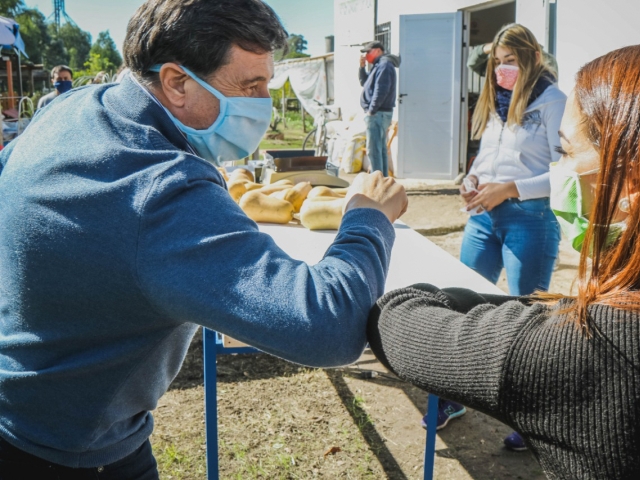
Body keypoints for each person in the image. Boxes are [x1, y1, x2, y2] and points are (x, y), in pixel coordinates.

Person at [0, 0, 407, 477]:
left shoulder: (71, 109)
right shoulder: (162, 185)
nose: (262, 103)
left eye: (266, 85)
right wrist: (367, 217)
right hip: (70, 449)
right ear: (176, 82)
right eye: (249, 86)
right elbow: (327, 326)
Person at [368, 40, 640, 479]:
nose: (561, 170)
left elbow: (398, 320)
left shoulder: (586, 350)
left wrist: (367, 221)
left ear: (632, 183)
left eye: (567, 152)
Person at [434, 24, 564, 447]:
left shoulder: (553, 101)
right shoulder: (496, 103)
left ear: (533, 59)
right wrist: (471, 178)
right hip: (483, 218)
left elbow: (566, 171)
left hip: (529, 219)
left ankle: (535, 419)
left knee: (528, 316)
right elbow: (488, 155)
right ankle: (453, 397)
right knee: (460, 301)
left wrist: (510, 189)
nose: (502, 70)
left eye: (511, 61)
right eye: (497, 63)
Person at [359, 40, 400, 176]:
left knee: (374, 149)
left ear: (377, 51)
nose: (366, 55)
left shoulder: (384, 65)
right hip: (379, 113)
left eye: (368, 52)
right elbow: (365, 83)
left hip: (378, 113)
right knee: (379, 148)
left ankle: (377, 181)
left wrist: (371, 110)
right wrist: (361, 67)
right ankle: (382, 179)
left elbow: (381, 90)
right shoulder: (378, 65)